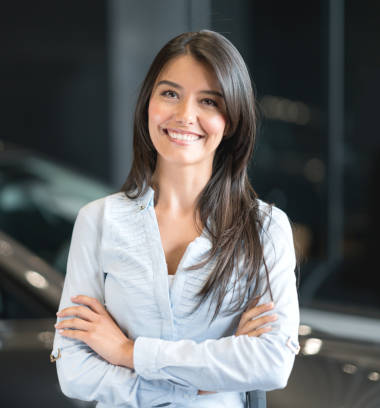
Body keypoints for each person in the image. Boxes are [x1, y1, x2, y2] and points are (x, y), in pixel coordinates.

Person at [51, 30, 300, 408]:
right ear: (148, 102)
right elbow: (74, 371)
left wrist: (126, 351)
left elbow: (271, 363)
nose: (185, 116)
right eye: (170, 94)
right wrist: (205, 378)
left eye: (209, 101)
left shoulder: (264, 228)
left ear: (231, 119)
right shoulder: (98, 221)